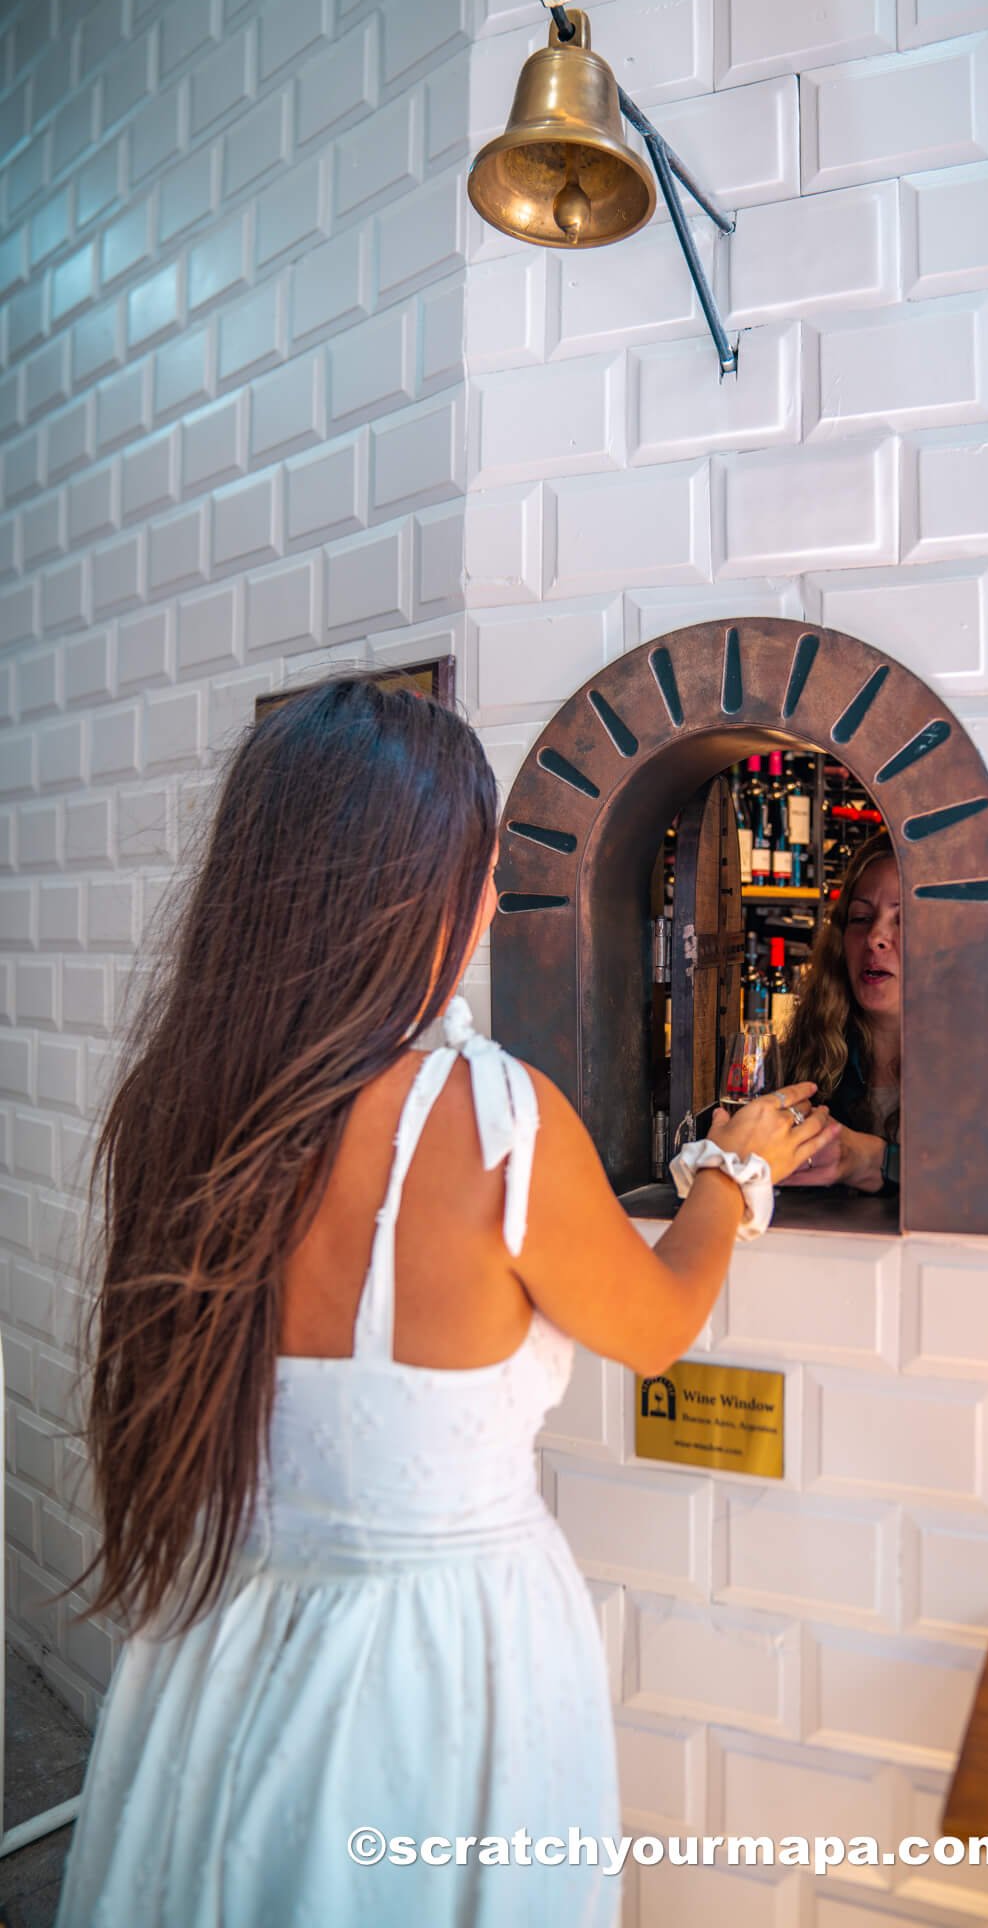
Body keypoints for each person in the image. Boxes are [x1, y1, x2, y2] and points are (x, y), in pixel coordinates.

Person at [57, 676, 836, 1927]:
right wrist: (732, 1177)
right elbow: (653, 1324)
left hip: (221, 1630)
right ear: (427, 885)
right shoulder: (492, 1116)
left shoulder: (181, 1097)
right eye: (482, 863)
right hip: (438, 1662)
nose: (489, 899)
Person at [780, 832, 901, 1197]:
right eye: (861, 917)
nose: (875, 937)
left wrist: (876, 1161)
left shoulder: (985, 1075)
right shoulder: (805, 1060)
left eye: (905, 918)